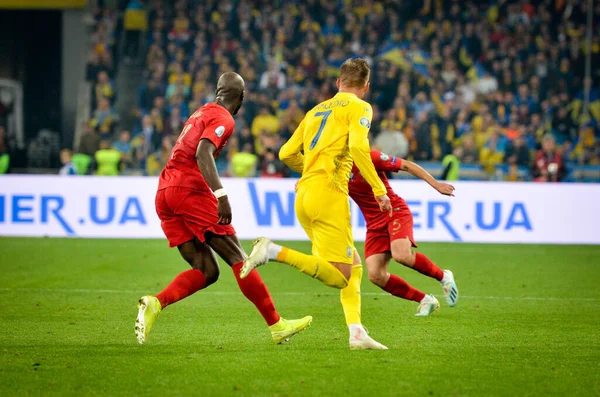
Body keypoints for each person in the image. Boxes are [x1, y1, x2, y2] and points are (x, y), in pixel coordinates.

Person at [135, 72, 312, 345]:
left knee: (206, 269)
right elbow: (202, 152)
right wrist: (221, 195)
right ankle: (277, 325)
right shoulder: (224, 118)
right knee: (240, 257)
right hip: (188, 189)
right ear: (241, 97)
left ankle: (156, 303)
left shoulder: (200, 112)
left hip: (165, 190)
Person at [241, 59, 392, 350]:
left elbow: (286, 153)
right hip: (329, 194)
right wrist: (378, 189)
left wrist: (308, 169)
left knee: (354, 266)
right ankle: (274, 251)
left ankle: (357, 331)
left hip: (304, 195)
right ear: (366, 87)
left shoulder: (314, 111)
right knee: (339, 276)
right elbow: (360, 147)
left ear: (338, 83)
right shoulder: (360, 107)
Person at [349, 150, 459, 316]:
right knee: (375, 275)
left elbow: (407, 165)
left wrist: (436, 184)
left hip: (395, 211)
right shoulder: (332, 168)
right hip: (374, 224)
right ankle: (425, 300)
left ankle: (444, 277)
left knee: (401, 255)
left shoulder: (368, 157)